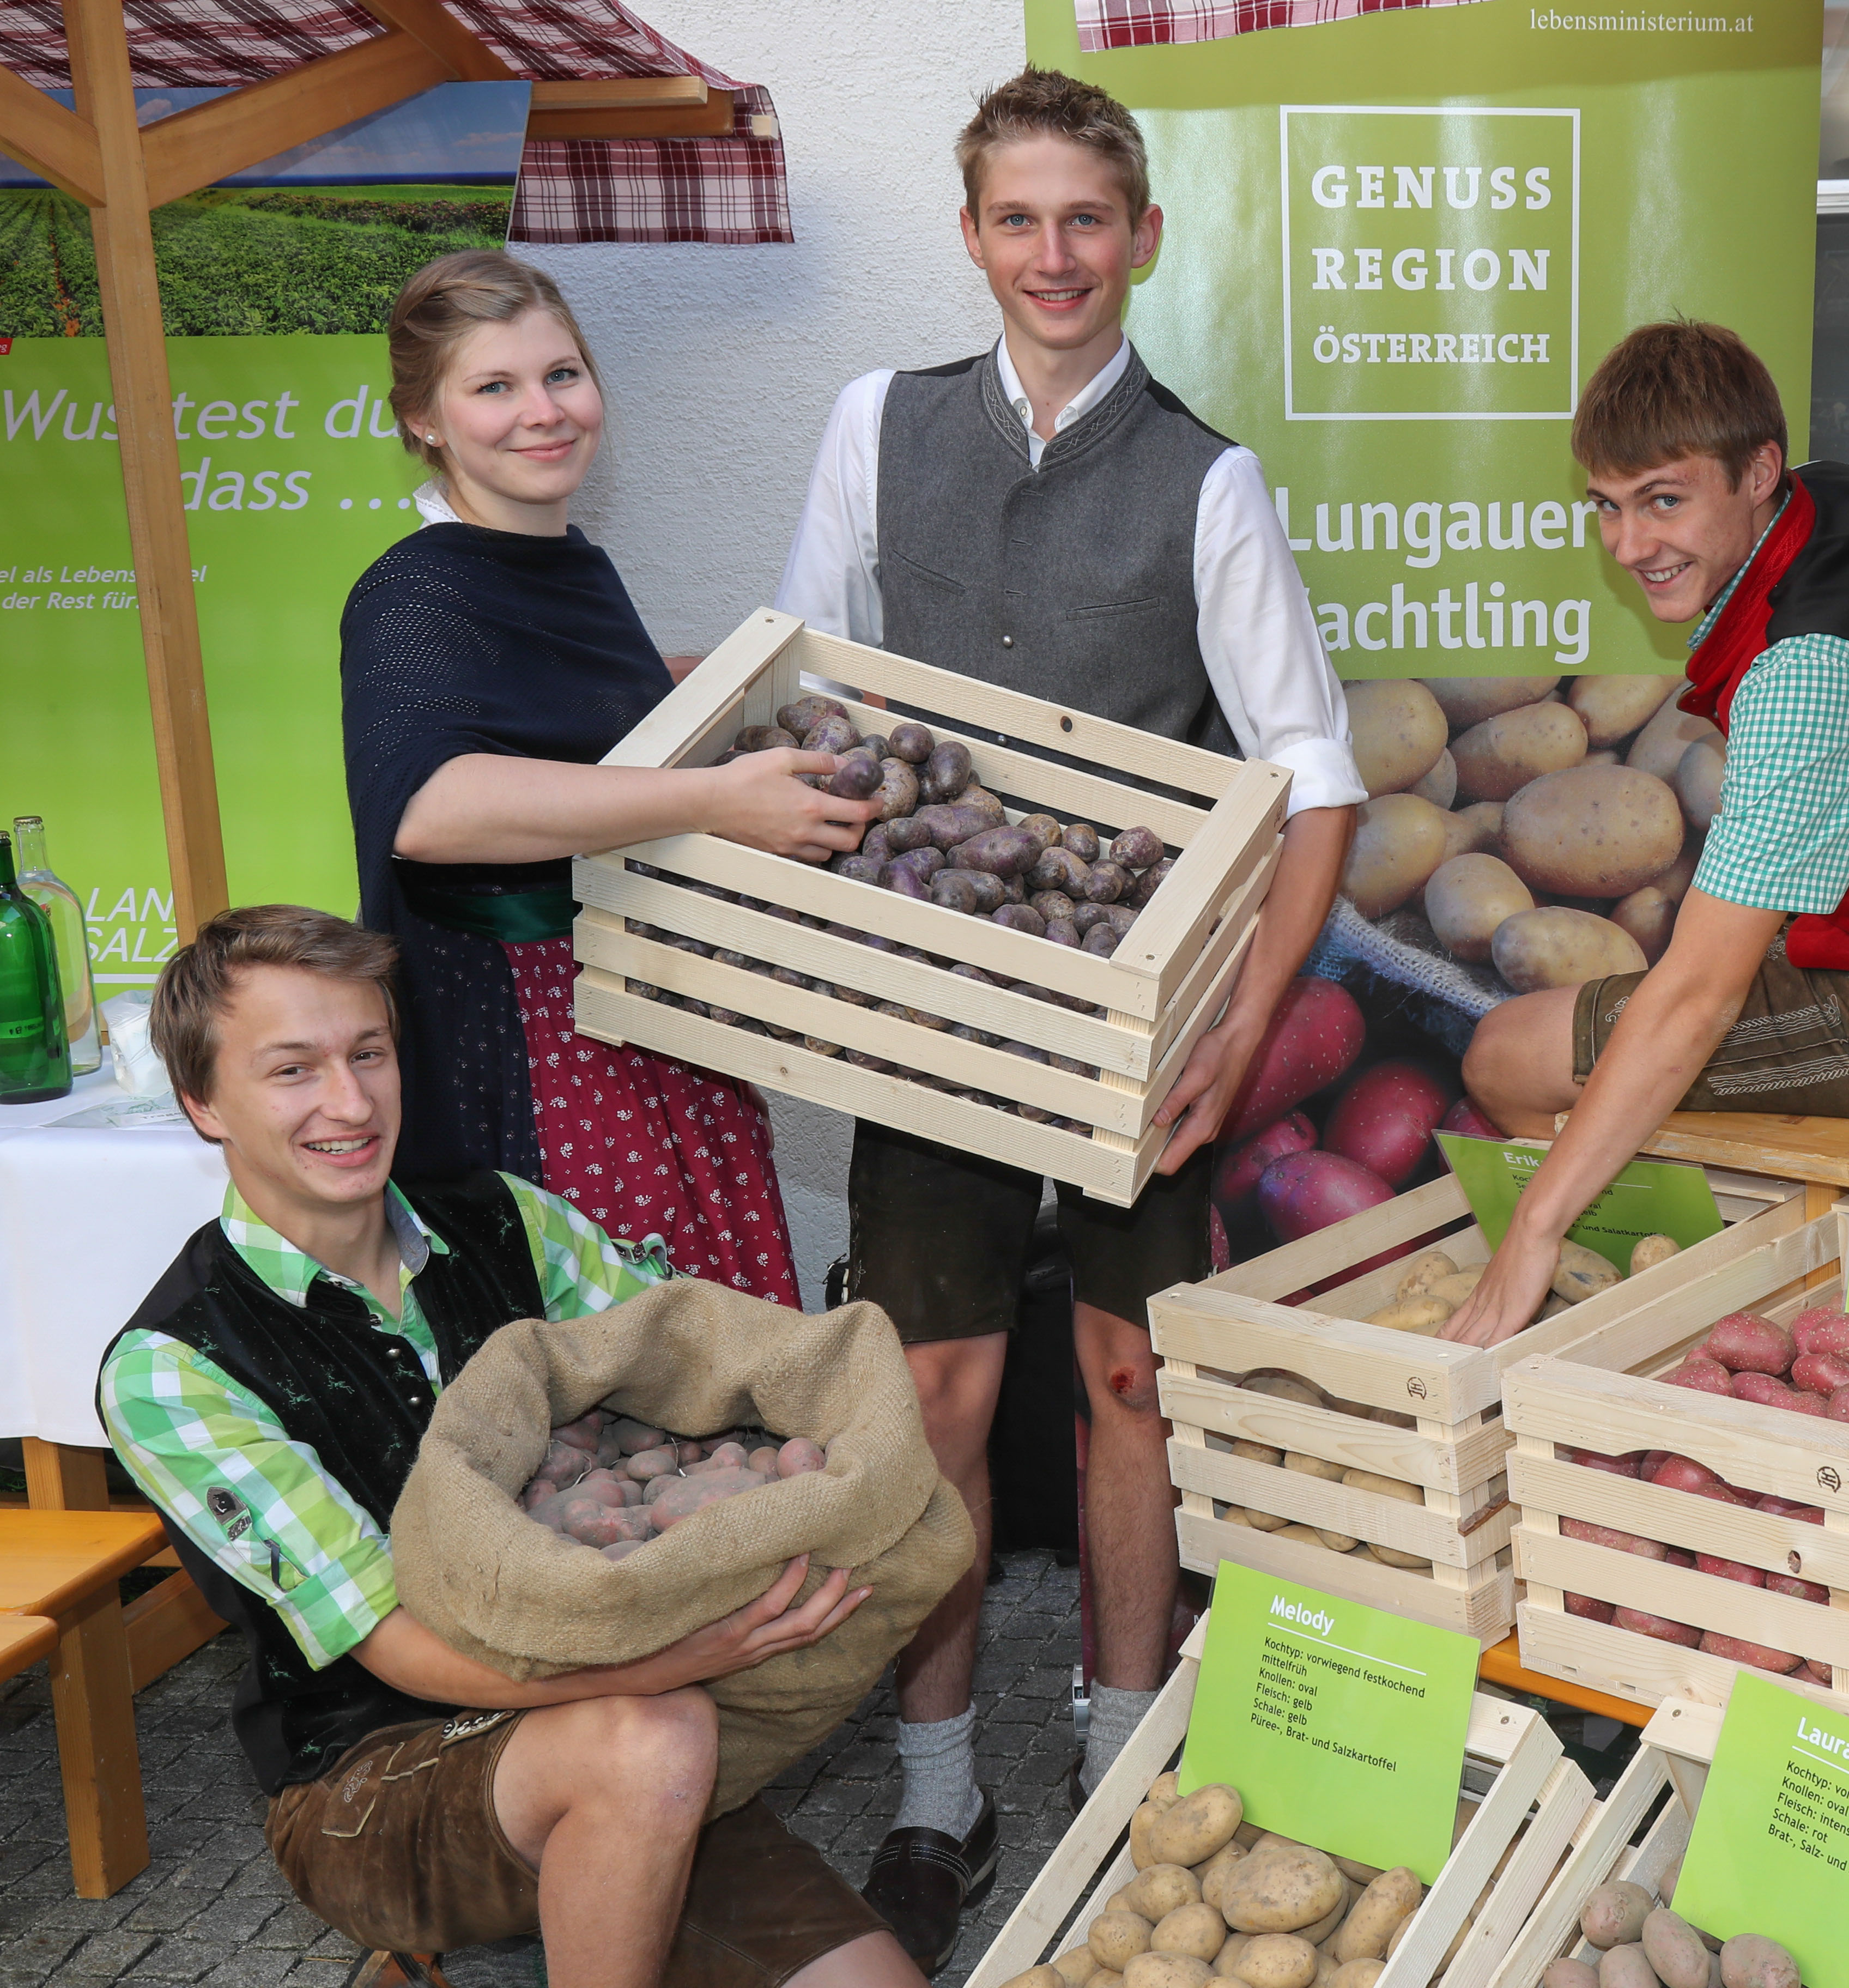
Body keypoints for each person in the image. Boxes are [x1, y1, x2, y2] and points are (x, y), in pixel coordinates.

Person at [771, 68, 1363, 1962]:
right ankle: (941, 1777)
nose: (1054, 254)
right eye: (1018, 219)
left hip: (1138, 1018)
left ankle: (1122, 1758)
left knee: (1128, 1381)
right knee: (934, 1393)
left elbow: (1314, 782)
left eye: (1086, 219)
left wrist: (1235, 1035)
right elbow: (811, 689)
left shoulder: (1209, 480)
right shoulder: (879, 424)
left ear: (1144, 240)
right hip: (940, 998)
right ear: (971, 237)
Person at [98, 905, 921, 1988]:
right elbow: (388, 1646)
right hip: (376, 1769)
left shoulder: (506, 1222)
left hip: (612, 1704)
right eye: (292, 1072)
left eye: (369, 1055)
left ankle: (582, 1889)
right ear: (203, 1103)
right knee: (662, 1743)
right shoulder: (173, 1365)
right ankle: (487, 1924)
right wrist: (678, 1664)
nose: (348, 1104)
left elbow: (701, 1360)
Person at [1443, 322, 1849, 1347]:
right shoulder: (1836, 502)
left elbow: (1700, 995)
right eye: (1607, 507)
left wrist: (1532, 1228)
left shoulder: (1810, 669)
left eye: (1664, 501)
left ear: (1757, 472)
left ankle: (1643, 1324)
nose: (1629, 546)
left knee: (1505, 1056)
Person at [341, 250, 869, 1305]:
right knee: (623, 1396)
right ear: (424, 420)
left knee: (716, 1378)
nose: (543, 412)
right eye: (494, 388)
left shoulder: (567, 560)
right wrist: (717, 801)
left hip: (643, 1013)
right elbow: (434, 810)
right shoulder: (410, 595)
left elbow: (561, 726)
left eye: (562, 375)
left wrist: (716, 684)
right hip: (536, 1052)